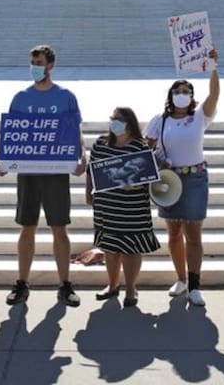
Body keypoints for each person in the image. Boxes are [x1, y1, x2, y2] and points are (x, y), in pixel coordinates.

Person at [0, 45, 86, 306]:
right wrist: (1, 161)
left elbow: (75, 130)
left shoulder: (66, 96)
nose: (35, 66)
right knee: (27, 227)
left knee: (60, 228)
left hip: (56, 172)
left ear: (51, 65)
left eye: (39, 62)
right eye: (32, 62)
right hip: (28, 172)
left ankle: (65, 284)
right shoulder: (20, 97)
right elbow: (11, 134)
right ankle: (22, 283)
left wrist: (83, 157)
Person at [145, 48, 220, 306]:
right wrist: (157, 159)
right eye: (177, 91)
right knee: (174, 231)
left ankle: (195, 284)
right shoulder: (160, 120)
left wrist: (213, 67)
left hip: (195, 177)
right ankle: (181, 278)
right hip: (169, 178)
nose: (181, 95)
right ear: (171, 96)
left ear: (191, 97)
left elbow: (214, 95)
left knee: (194, 232)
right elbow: (147, 147)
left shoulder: (199, 117)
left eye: (186, 91)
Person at [85, 107, 160, 307]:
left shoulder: (140, 147)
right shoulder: (101, 144)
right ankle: (112, 285)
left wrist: (134, 185)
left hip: (132, 206)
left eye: (118, 119)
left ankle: (131, 289)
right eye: (112, 118)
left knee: (131, 248)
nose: (114, 122)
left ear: (129, 123)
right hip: (107, 205)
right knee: (110, 248)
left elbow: (149, 177)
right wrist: (88, 193)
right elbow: (90, 171)